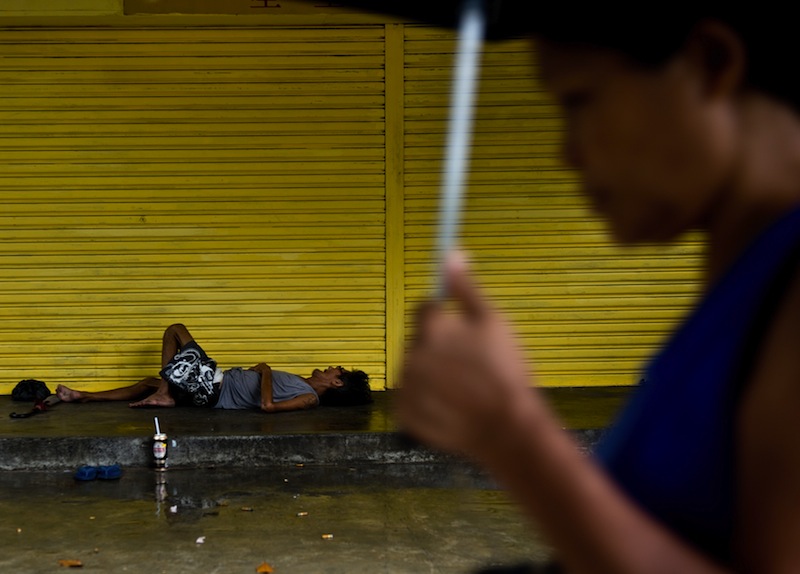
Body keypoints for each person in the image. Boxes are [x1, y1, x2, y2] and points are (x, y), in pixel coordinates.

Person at [313, 5, 800, 574]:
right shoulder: (744, 277)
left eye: (579, 101)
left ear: (711, 64)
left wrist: (515, 431)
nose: (566, 153)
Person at [56, 323, 372, 412]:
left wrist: (265, 372)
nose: (331, 367)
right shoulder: (302, 381)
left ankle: (166, 393)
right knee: (146, 382)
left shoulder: (310, 398)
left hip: (214, 389)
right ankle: (84, 396)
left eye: (337, 370)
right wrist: (259, 372)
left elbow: (267, 406)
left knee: (176, 330)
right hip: (215, 383)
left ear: (337, 384)